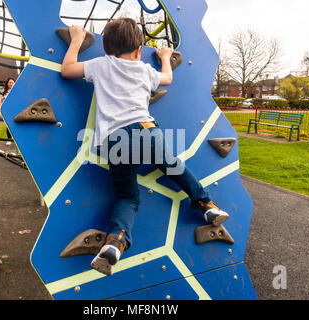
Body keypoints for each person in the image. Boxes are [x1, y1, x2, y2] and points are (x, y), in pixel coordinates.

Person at [60, 18, 229, 276]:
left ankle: (115, 241)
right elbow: (168, 78)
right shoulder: (143, 69)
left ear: (106, 48)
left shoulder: (100, 65)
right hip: (147, 130)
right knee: (174, 167)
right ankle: (207, 204)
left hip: (115, 139)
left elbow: (68, 69)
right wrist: (163, 56)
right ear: (139, 50)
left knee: (127, 196)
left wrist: (76, 41)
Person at [0, 77, 15, 144]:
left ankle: (15, 139)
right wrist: (0, 108)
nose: (11, 84)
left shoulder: (16, 91)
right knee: (8, 125)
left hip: (14, 109)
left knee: (14, 125)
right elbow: (0, 101)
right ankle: (9, 139)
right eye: (10, 82)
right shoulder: (3, 91)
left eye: (12, 82)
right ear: (7, 83)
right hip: (6, 110)